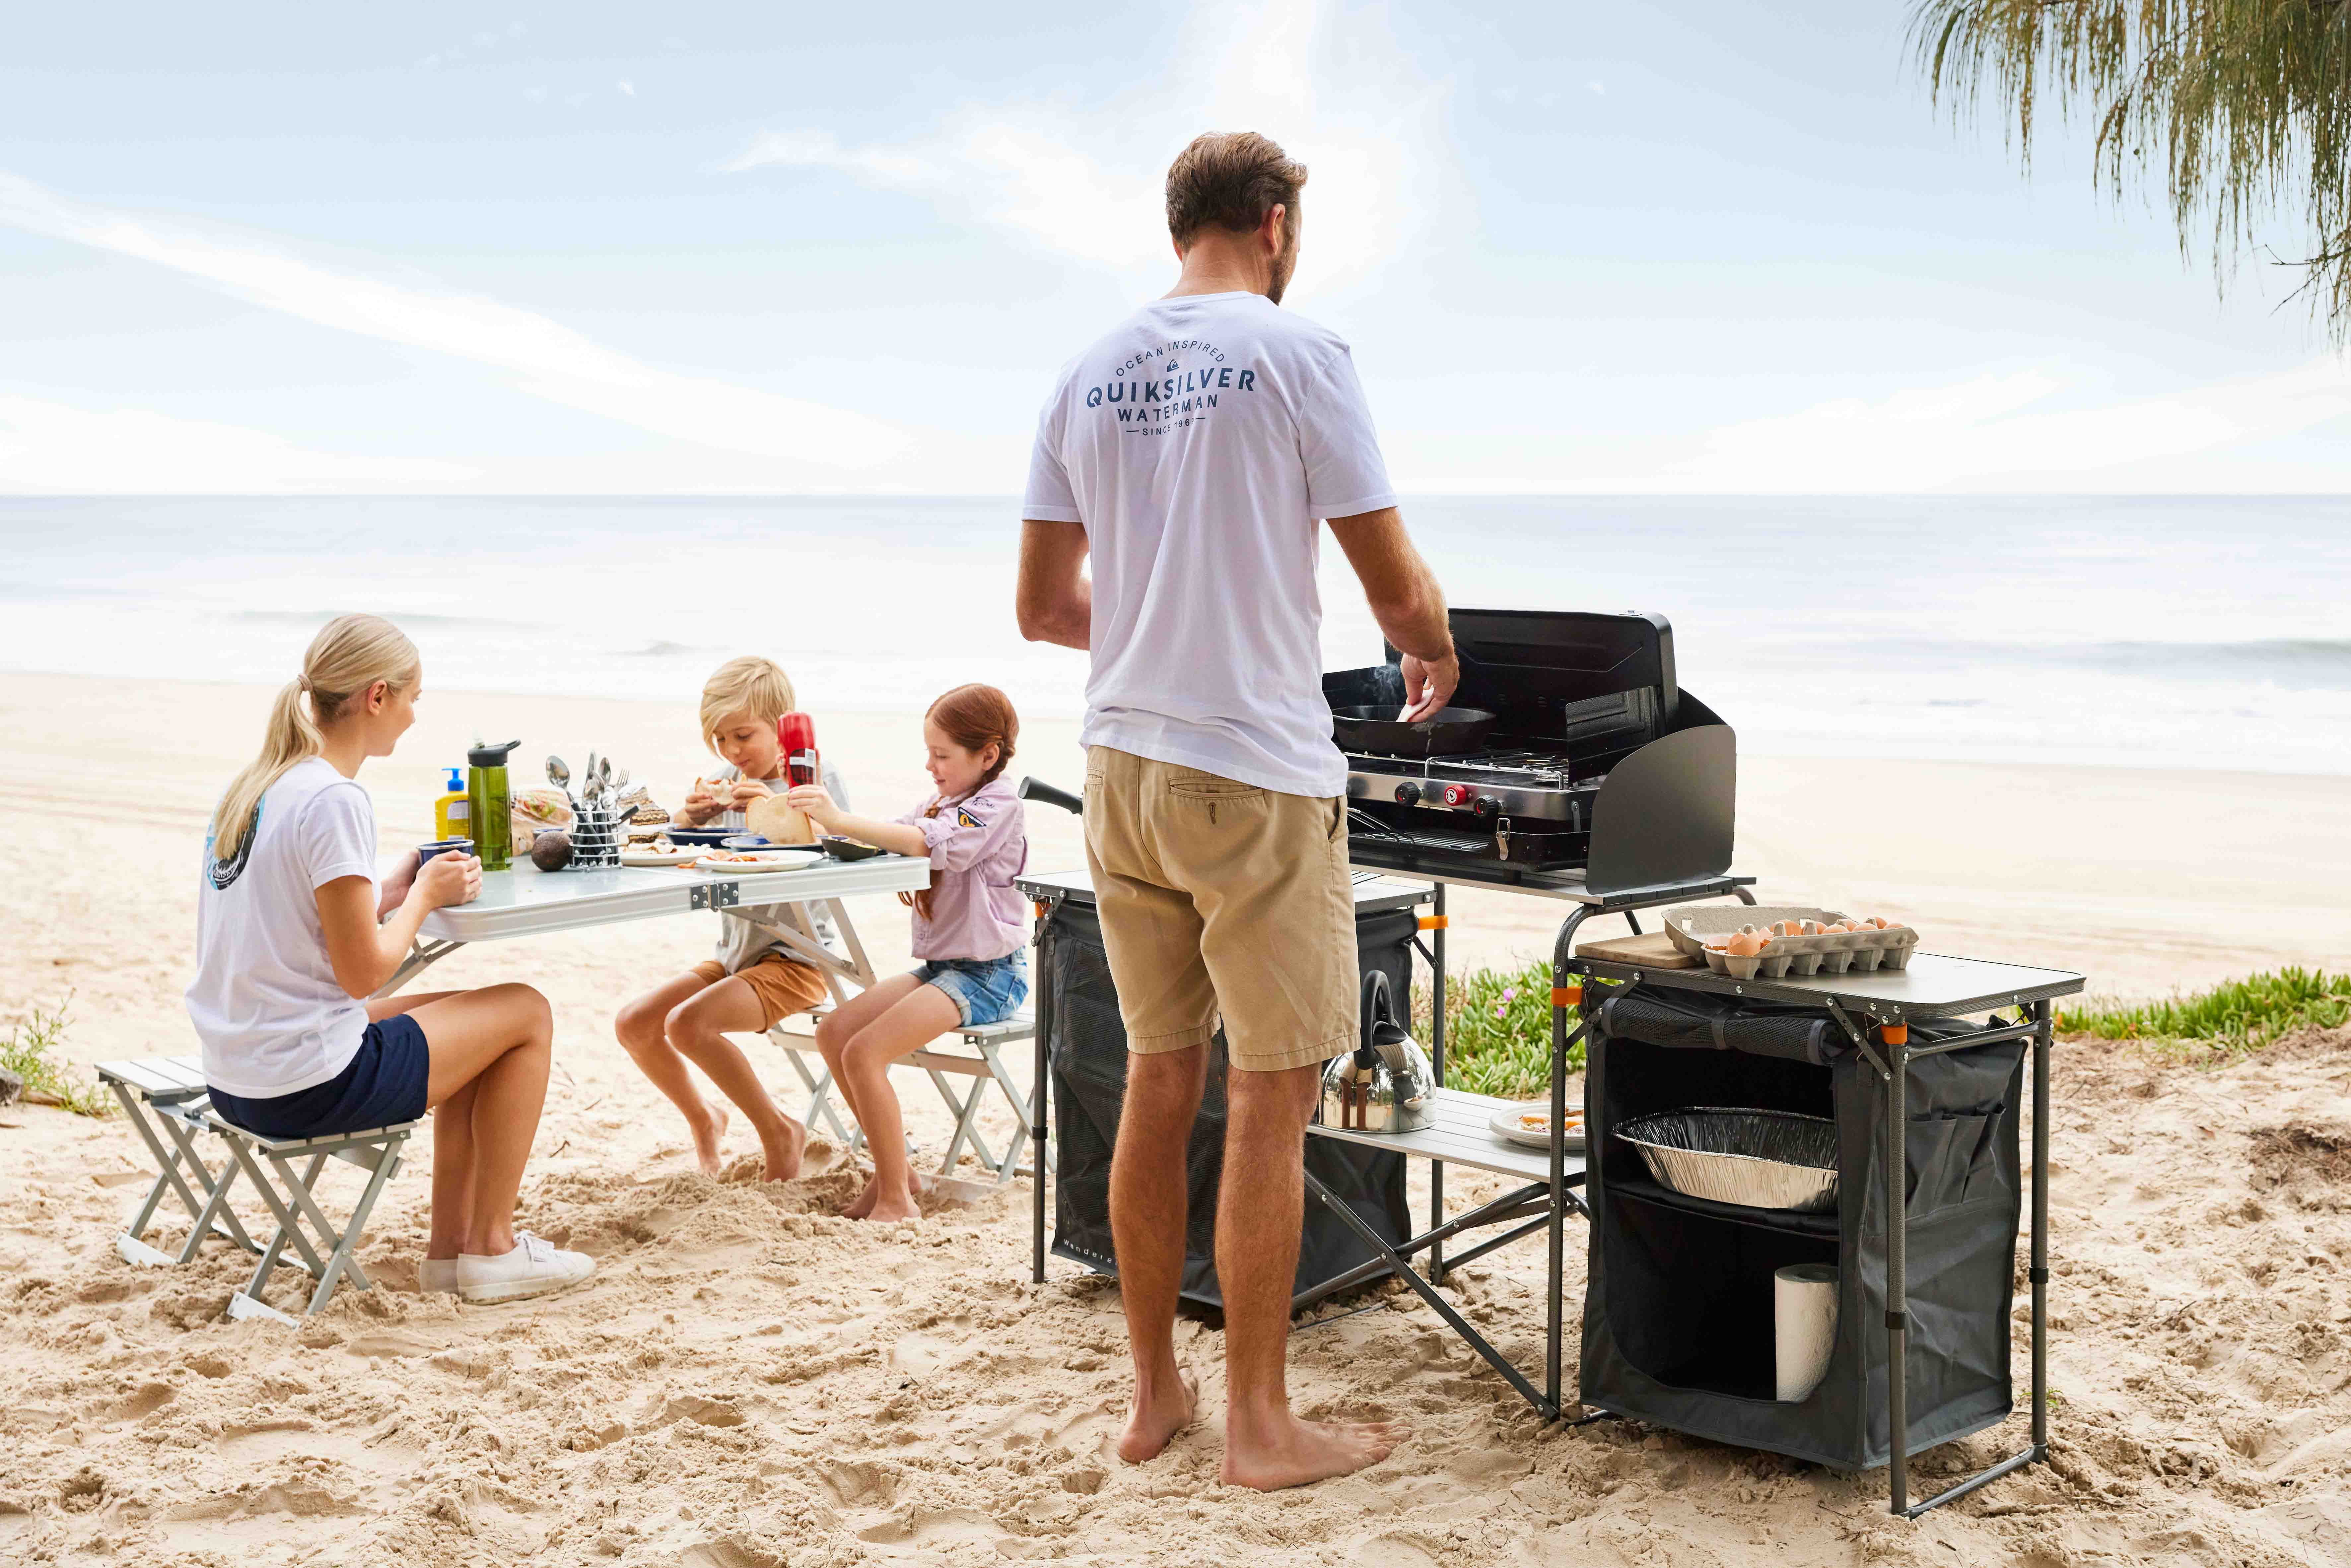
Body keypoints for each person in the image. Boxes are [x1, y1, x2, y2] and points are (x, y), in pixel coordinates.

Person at [1014, 131, 1458, 1488]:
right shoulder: (1297, 354)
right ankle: (1260, 1426)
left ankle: (1154, 1399)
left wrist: (1152, 637)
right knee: (1269, 1102)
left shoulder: (1083, 374)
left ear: (1180, 226)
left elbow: (1041, 610)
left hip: (1121, 770)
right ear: (1272, 224)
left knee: (1159, 1082)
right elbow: (1388, 585)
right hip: (1254, 775)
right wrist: (1434, 646)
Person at [186, 613, 593, 1304]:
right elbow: (364, 974)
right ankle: (492, 1249)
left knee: (474, 1025)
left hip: (238, 1071)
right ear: (377, 696)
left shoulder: (256, 788)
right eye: (411, 697)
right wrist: (424, 895)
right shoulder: (335, 799)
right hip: (306, 1084)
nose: (412, 715)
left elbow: (290, 919)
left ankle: (448, 1255)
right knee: (527, 1011)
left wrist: (388, 890)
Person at [787, 684, 1028, 1223]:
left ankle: (897, 1198)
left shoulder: (998, 804)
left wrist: (842, 820)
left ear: (987, 756)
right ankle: (897, 1173)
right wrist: (828, 820)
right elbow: (900, 833)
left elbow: (931, 843)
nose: (930, 765)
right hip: (947, 969)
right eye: (929, 753)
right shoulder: (943, 803)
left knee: (864, 1053)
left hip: (990, 976)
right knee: (834, 1032)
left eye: (942, 755)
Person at [612, 655, 852, 1179]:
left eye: (743, 736)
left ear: (782, 724)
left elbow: (836, 849)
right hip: (738, 956)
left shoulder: (809, 776)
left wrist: (772, 806)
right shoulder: (725, 778)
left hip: (797, 957)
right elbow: (679, 849)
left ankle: (778, 1130)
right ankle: (705, 1120)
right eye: (721, 740)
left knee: (688, 1026)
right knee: (635, 1024)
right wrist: (685, 821)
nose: (732, 752)